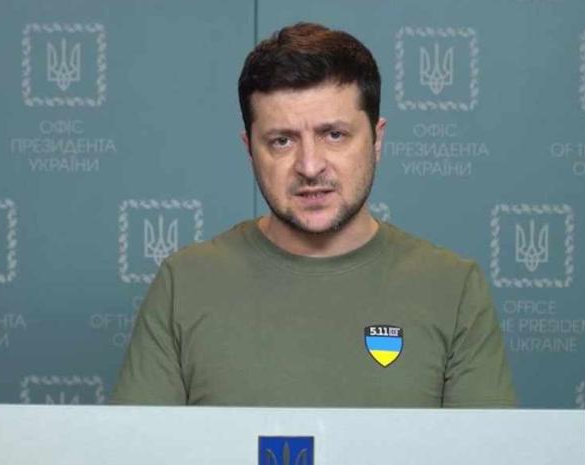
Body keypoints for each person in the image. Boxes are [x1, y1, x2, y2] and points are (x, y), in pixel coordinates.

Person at [111, 22, 516, 408]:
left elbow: (484, 448)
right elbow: (138, 446)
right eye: (282, 141)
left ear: (377, 139)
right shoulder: (184, 284)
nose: (309, 166)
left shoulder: (454, 289)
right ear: (249, 149)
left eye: (334, 135)